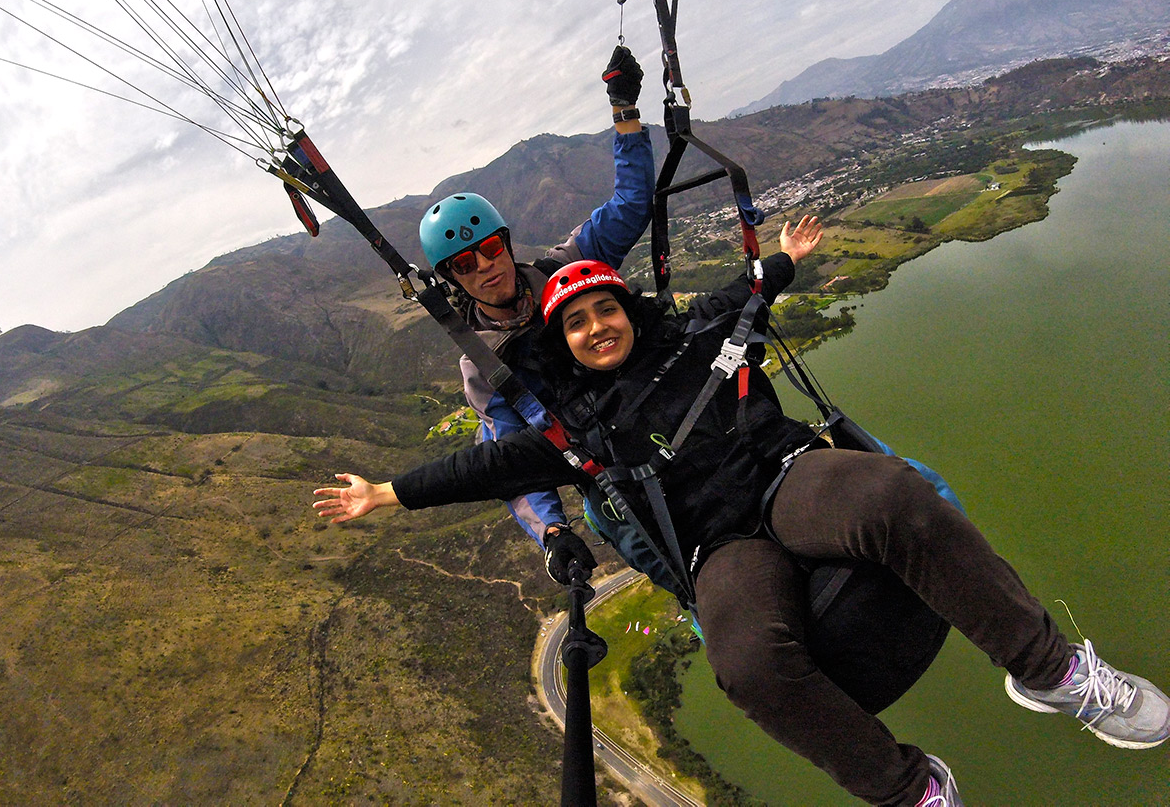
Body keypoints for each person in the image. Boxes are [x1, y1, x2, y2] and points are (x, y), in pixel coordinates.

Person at [313, 215, 1169, 806]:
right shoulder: (580, 429)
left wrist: (786, 256)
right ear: (563, 345)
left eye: (607, 308)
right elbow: (490, 461)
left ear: (630, 312)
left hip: (782, 478)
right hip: (717, 548)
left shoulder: (690, 340)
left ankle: (1051, 670)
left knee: (893, 494)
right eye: (576, 323)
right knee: (746, 664)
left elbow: (748, 290)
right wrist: (388, 492)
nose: (597, 326)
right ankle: (908, 787)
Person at [417, 43, 689, 603]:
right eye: (464, 265)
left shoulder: (567, 268)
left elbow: (632, 203)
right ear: (451, 280)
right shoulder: (483, 362)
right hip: (610, 480)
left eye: (490, 248)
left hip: (664, 423)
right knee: (694, 584)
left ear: (506, 243)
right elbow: (510, 453)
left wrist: (623, 109)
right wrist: (552, 532)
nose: (485, 267)